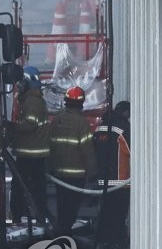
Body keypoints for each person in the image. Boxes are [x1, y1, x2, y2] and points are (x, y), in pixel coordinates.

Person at [47, 85, 97, 238]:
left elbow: (49, 145)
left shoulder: (57, 120)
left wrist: (50, 167)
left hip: (59, 173)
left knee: (62, 204)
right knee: (72, 206)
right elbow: (87, 151)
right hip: (76, 175)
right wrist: (93, 172)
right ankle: (65, 233)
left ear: (66, 101)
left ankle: (61, 230)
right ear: (81, 104)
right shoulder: (82, 123)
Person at [10, 66, 50, 226]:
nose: (19, 86)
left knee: (19, 188)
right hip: (35, 154)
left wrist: (10, 126)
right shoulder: (34, 99)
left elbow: (30, 125)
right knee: (38, 189)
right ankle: (40, 217)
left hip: (29, 154)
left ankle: (18, 218)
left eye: (21, 83)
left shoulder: (31, 101)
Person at [94, 100, 131, 249]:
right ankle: (115, 241)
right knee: (119, 212)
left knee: (106, 211)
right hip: (120, 180)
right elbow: (131, 151)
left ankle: (103, 241)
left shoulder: (100, 127)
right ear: (126, 113)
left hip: (103, 179)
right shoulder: (124, 127)